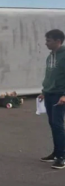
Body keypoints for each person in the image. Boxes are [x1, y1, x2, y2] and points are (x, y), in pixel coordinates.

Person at [39, 29, 65, 170]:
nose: (46, 43)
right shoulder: (50, 57)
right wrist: (44, 91)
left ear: (58, 41)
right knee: (52, 124)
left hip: (59, 95)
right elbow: (49, 76)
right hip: (49, 93)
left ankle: (62, 157)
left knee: (57, 124)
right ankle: (56, 152)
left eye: (49, 40)